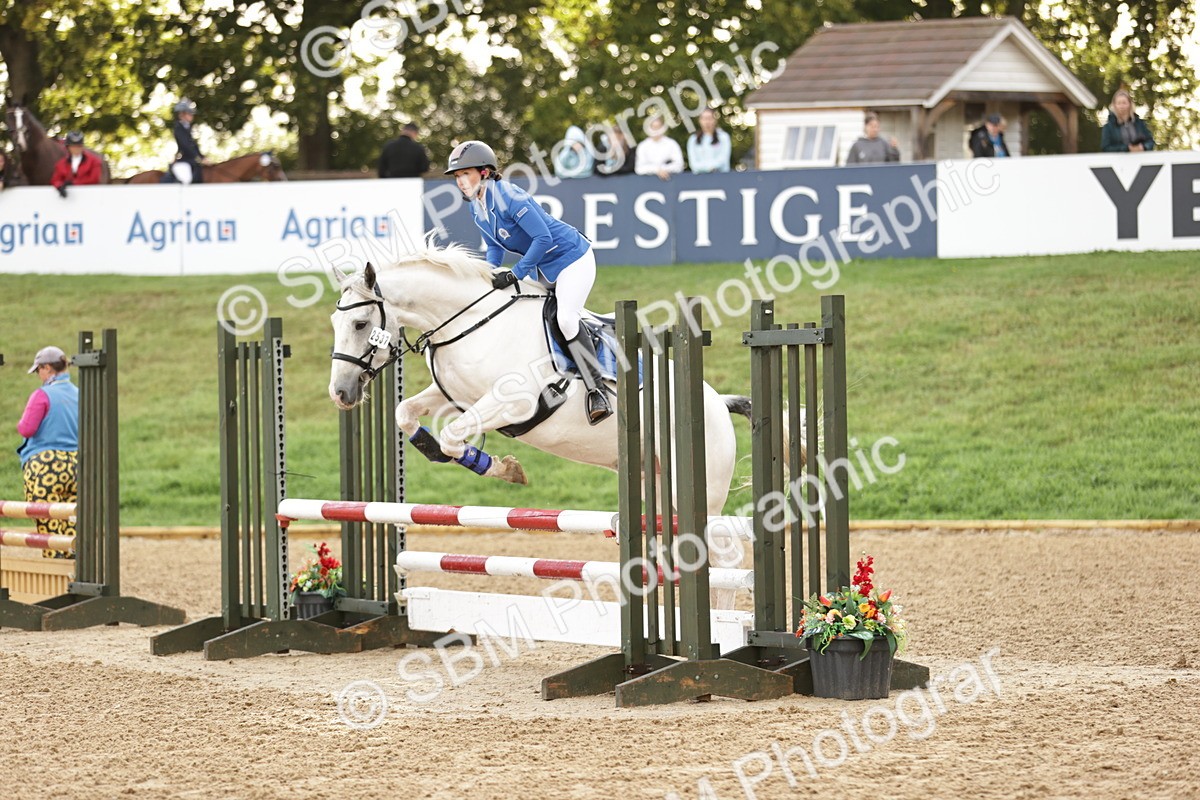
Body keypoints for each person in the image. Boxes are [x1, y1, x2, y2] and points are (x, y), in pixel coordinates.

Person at [444, 140, 612, 424]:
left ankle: (597, 390)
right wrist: (488, 274)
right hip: (543, 266)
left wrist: (517, 272)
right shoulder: (477, 207)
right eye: (457, 177)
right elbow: (495, 247)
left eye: (465, 174)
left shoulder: (510, 196)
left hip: (573, 259)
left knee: (567, 319)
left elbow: (543, 238)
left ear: (485, 172)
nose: (460, 182)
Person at [16, 346, 79, 558]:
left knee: (46, 517)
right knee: (72, 520)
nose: (38, 376)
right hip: (77, 463)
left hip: (45, 465)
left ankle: (54, 562)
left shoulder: (42, 395)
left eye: (38, 371)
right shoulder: (80, 394)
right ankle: (75, 566)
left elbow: (27, 428)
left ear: (47, 368)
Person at [50, 131, 103, 197]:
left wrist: (73, 183)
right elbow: (55, 179)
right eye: (73, 146)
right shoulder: (61, 164)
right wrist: (60, 186)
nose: (76, 149)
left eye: (79, 146)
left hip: (90, 196)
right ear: (68, 147)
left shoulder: (94, 161)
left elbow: (94, 179)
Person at [172, 98, 209, 184]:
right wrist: (198, 157)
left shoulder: (188, 128)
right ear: (183, 114)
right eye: (190, 114)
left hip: (191, 160)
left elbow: (193, 145)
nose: (192, 116)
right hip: (185, 160)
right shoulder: (178, 129)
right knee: (186, 178)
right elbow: (185, 145)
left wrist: (202, 157)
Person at [686, 108, 732, 173]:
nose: (707, 122)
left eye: (709, 118)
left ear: (715, 120)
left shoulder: (723, 137)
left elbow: (723, 159)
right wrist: (707, 168)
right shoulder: (693, 139)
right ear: (700, 121)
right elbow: (693, 164)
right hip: (700, 179)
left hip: (721, 177)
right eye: (704, 119)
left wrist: (712, 167)